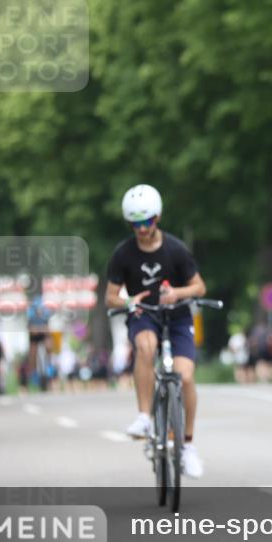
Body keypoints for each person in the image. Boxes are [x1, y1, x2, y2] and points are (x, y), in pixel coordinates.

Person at [105, 184, 209, 478]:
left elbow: (200, 287)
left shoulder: (175, 249)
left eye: (146, 221)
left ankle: (187, 444)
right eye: (135, 223)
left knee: (185, 376)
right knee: (146, 347)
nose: (141, 228)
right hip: (144, 315)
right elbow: (109, 297)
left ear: (158, 217)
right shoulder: (123, 254)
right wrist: (127, 300)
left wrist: (177, 293)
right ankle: (144, 418)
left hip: (176, 317)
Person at [23, 295, 52, 392]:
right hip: (34, 338)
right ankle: (33, 371)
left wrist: (44, 330)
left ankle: (50, 363)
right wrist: (35, 330)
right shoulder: (31, 317)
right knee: (32, 353)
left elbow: (48, 329)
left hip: (43, 337)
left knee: (49, 345)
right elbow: (29, 328)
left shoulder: (45, 316)